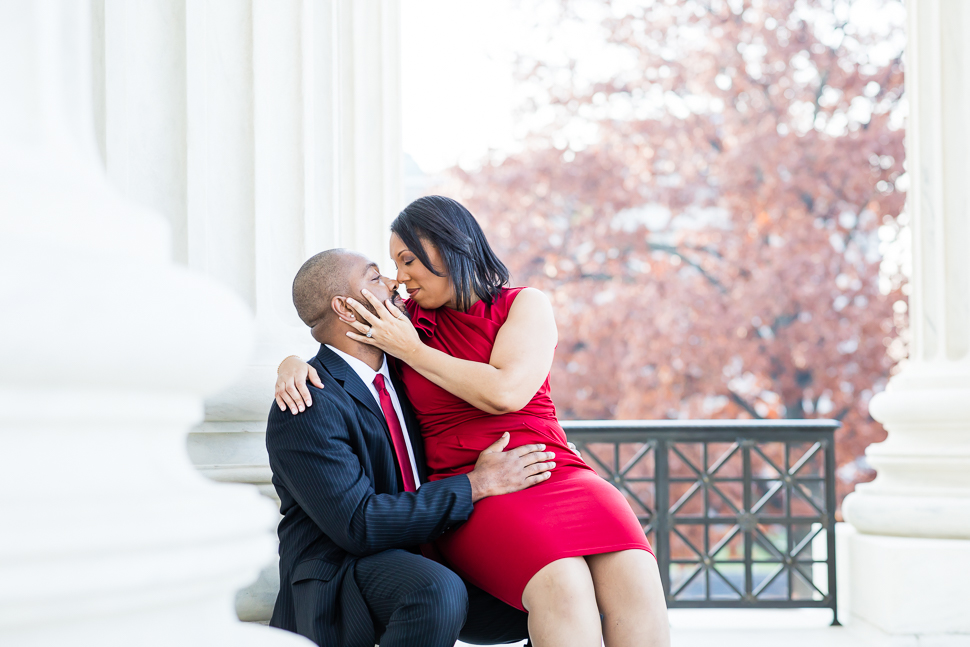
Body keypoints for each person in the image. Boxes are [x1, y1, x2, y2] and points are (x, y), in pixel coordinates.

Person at [277, 195, 670, 647]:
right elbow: (340, 344)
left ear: (451, 247)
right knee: (563, 585)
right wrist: (290, 363)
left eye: (408, 260)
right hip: (479, 489)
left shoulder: (523, 305)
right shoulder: (406, 324)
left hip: (557, 471)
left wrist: (410, 350)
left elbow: (506, 392)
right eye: (391, 266)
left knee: (638, 579)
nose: (398, 278)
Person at [267, 248, 560, 647]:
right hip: (341, 574)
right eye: (375, 278)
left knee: (557, 583)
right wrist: (476, 484)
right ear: (346, 308)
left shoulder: (410, 377)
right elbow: (358, 525)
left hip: (424, 548)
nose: (394, 283)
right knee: (434, 589)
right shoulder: (307, 401)